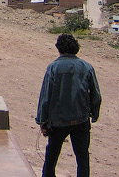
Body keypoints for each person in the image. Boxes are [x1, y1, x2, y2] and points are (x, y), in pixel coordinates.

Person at [36, 34, 101, 177]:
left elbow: (46, 96)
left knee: (52, 156)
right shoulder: (87, 67)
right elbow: (96, 95)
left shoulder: (53, 67)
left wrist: (42, 121)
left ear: (59, 48)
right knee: (82, 157)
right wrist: (93, 114)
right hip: (81, 119)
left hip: (58, 121)